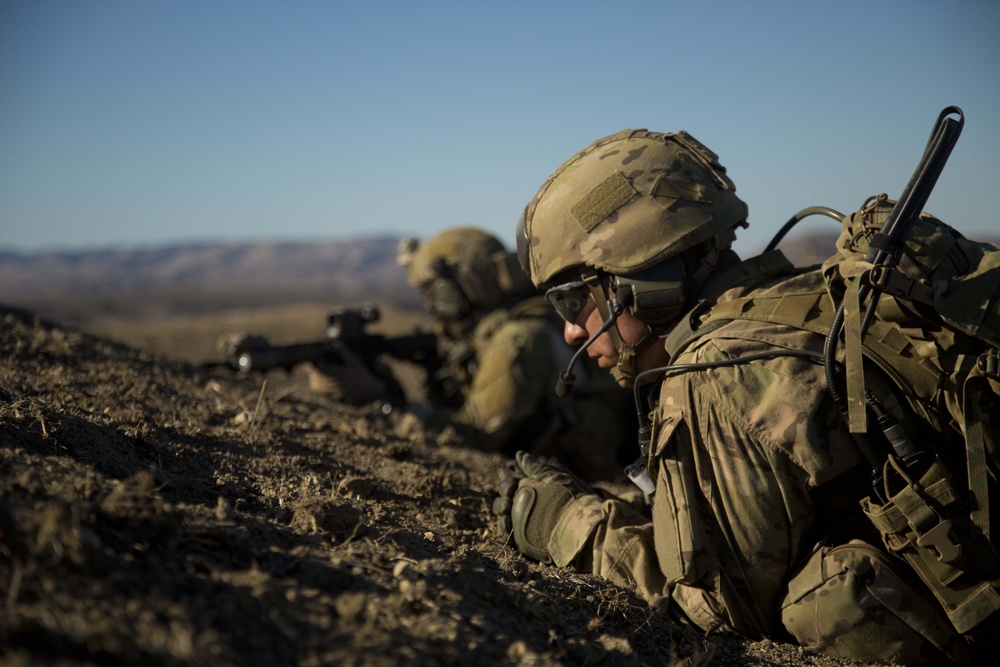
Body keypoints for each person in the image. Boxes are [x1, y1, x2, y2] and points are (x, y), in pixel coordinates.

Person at [494, 128, 1000, 664]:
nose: (572, 332)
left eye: (573, 301)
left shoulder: (718, 375)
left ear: (642, 279)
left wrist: (567, 524)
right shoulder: (804, 304)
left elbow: (714, 611)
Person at [316, 226, 636, 483]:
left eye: (437, 294)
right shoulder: (509, 325)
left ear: (469, 288)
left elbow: (472, 442)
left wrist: (383, 401)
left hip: (593, 484)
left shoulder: (519, 340)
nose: (431, 308)